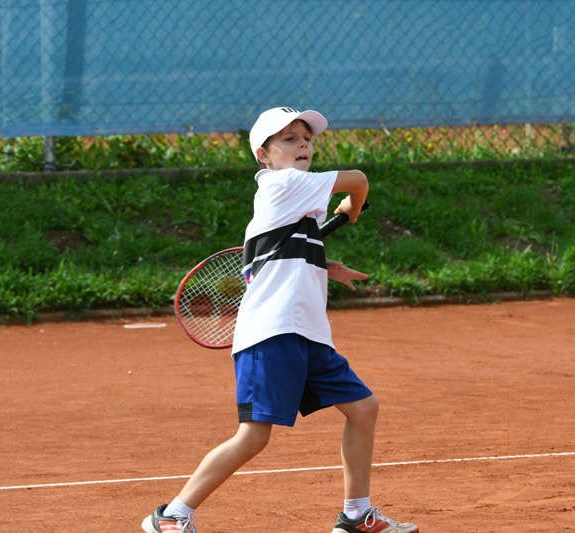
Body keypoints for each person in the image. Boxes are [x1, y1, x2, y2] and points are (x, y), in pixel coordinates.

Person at [142, 107, 418, 533]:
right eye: (289, 138)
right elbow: (359, 180)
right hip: (273, 333)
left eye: (307, 138)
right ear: (263, 154)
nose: (303, 144)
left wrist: (326, 265)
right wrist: (353, 207)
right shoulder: (284, 184)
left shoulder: (299, 206)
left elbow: (282, 257)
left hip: (307, 333)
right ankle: (172, 515)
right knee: (254, 435)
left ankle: (355, 516)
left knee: (364, 409)